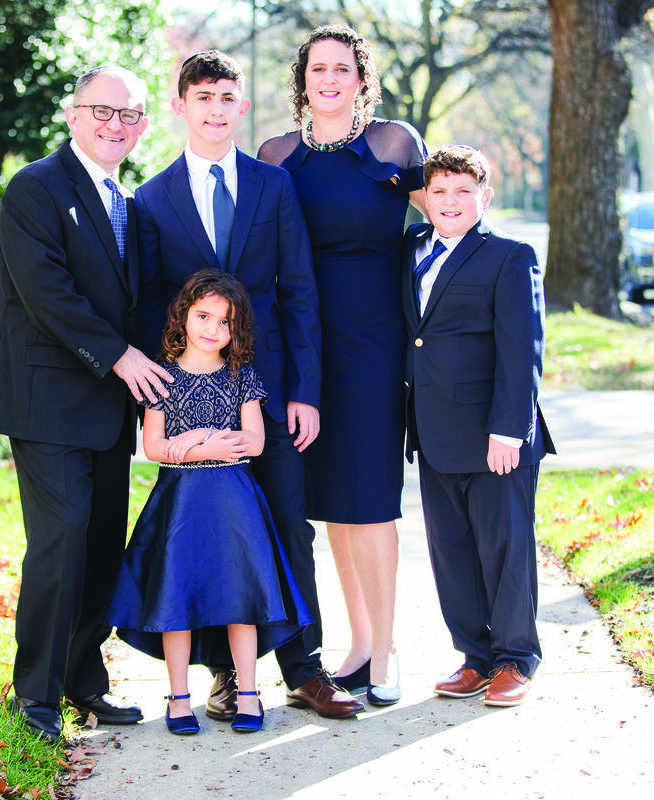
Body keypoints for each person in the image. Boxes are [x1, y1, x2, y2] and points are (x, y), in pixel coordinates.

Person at [136, 50, 362, 719]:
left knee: (290, 524)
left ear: (243, 106)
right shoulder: (152, 199)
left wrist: (306, 391)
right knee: (207, 536)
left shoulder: (273, 185)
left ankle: (305, 665)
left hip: (274, 389)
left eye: (228, 97)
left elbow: (300, 290)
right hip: (195, 401)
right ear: (181, 106)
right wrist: (170, 405)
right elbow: (154, 307)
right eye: (202, 97)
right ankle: (225, 676)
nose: (216, 109)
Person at [0, 65, 174, 742]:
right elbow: (47, 293)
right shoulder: (35, 188)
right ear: (72, 114)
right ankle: (34, 695)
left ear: (144, 125)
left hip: (105, 408)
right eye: (104, 111)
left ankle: (84, 683)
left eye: (130, 115)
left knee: (99, 549)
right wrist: (122, 357)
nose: (116, 125)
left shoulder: (126, 203)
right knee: (61, 540)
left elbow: (137, 303)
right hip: (44, 401)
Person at [257, 24, 426, 705]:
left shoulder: (393, 144)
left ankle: (383, 655)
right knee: (332, 506)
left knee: (371, 502)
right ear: (303, 81)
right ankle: (356, 646)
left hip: (375, 344)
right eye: (317, 68)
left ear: (361, 79)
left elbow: (444, 211)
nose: (328, 78)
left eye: (341, 68)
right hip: (305, 348)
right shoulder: (275, 154)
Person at [107, 269, 313, 735]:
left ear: (236, 332)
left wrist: (205, 447)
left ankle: (248, 694)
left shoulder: (242, 376)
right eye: (204, 316)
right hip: (179, 504)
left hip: (234, 505)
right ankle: (179, 698)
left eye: (225, 323)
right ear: (184, 316)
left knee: (242, 599)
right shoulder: (163, 376)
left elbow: (255, 441)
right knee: (175, 598)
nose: (212, 329)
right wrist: (200, 440)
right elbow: (154, 447)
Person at [400, 144, 555, 708]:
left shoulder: (509, 256)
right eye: (438, 191)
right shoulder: (413, 248)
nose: (450, 201)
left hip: (495, 435)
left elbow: (523, 350)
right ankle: (476, 656)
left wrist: (510, 430)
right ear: (425, 199)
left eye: (463, 191)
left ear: (484, 197)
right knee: (452, 551)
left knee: (504, 549)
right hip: (435, 431)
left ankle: (515, 658)